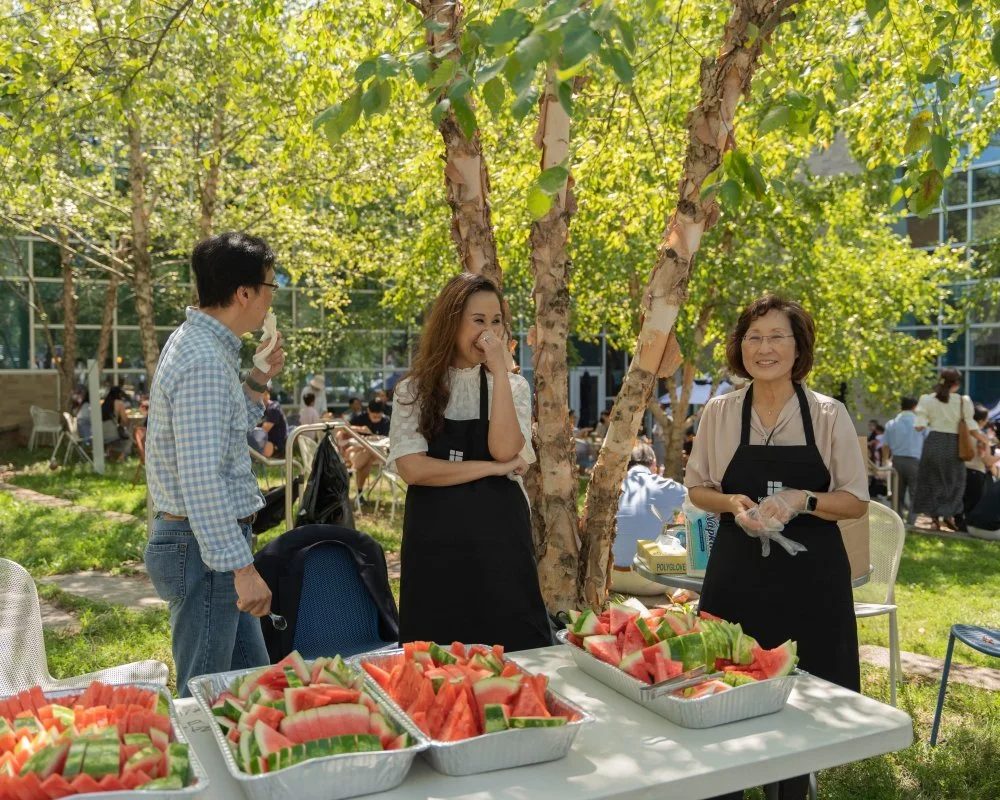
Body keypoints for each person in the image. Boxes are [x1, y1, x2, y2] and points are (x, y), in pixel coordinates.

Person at [685, 294, 868, 800]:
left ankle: (792, 790)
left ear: (798, 347)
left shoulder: (828, 414)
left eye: (776, 337)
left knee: (802, 715)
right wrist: (732, 502)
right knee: (722, 698)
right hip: (735, 578)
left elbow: (855, 502)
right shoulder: (719, 412)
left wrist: (802, 499)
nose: (764, 348)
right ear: (740, 346)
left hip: (811, 584)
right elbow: (697, 488)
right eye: (754, 337)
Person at [145, 231, 284, 698]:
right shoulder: (204, 359)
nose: (271, 297)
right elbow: (202, 478)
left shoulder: (203, 345)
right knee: (203, 697)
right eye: (270, 285)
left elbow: (228, 428)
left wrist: (258, 378)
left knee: (248, 691)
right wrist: (241, 569)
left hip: (206, 543)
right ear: (244, 293)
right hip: (204, 548)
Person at [388, 273, 551, 651]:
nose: (488, 332)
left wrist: (500, 373)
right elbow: (414, 469)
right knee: (434, 659)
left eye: (496, 321)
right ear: (451, 323)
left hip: (500, 542)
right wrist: (491, 470)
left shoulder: (513, 387)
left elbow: (504, 450)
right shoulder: (413, 390)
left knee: (514, 650)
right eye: (478, 321)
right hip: (435, 544)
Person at [612, 443, 687, 595]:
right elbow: (700, 504)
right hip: (650, 582)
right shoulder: (664, 485)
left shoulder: (612, 485)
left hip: (609, 578)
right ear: (654, 465)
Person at [913, 368, 981, 532]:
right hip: (954, 444)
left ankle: (934, 516)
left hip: (934, 442)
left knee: (931, 480)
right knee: (955, 481)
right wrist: (984, 440)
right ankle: (948, 514)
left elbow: (919, 426)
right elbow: (971, 426)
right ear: (957, 384)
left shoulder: (927, 399)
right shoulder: (963, 401)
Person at [882, 396, 925, 526]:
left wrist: (885, 461)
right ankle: (911, 522)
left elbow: (885, 445)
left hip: (897, 461)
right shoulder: (920, 423)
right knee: (915, 494)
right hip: (915, 462)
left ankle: (898, 522)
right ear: (914, 407)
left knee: (897, 494)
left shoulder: (891, 423)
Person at [346, 398, 391, 501]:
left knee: (368, 452)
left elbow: (386, 441)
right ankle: (359, 494)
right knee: (367, 461)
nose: (376, 418)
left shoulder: (386, 421)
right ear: (368, 411)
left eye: (378, 416)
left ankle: (350, 473)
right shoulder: (361, 418)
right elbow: (345, 427)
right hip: (362, 453)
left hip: (379, 455)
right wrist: (360, 429)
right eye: (373, 416)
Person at [963, 405, 998, 522]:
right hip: (975, 474)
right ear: (981, 421)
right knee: (972, 506)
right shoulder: (981, 437)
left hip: (961, 471)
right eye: (986, 420)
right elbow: (987, 461)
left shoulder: (964, 433)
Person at [101, 386, 132, 461]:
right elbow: (125, 420)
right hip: (112, 433)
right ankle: (123, 456)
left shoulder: (104, 403)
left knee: (116, 438)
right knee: (129, 436)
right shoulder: (119, 403)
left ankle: (111, 454)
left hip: (101, 433)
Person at [258, 386, 288, 458]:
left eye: (265, 394)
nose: (262, 397)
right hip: (267, 441)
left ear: (269, 395)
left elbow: (263, 431)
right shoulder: (259, 409)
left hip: (278, 445)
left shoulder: (274, 408)